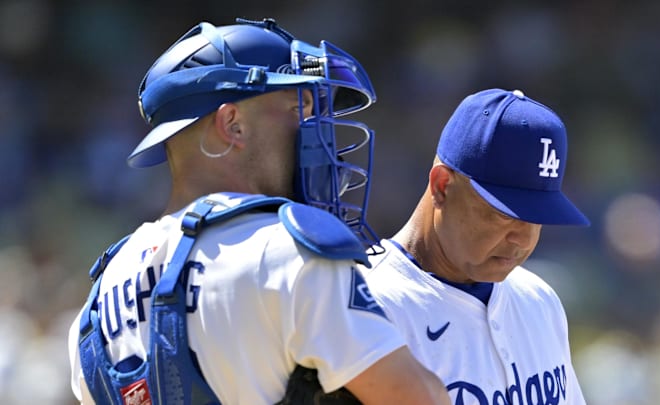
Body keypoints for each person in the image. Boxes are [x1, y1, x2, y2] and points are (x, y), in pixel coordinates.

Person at [67, 18, 450, 405]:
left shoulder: (98, 299)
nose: (320, 137)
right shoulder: (286, 250)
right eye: (299, 107)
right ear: (232, 124)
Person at [361, 88, 590, 404]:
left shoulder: (538, 300)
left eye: (537, 217)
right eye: (504, 214)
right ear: (442, 186)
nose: (523, 240)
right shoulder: (366, 306)